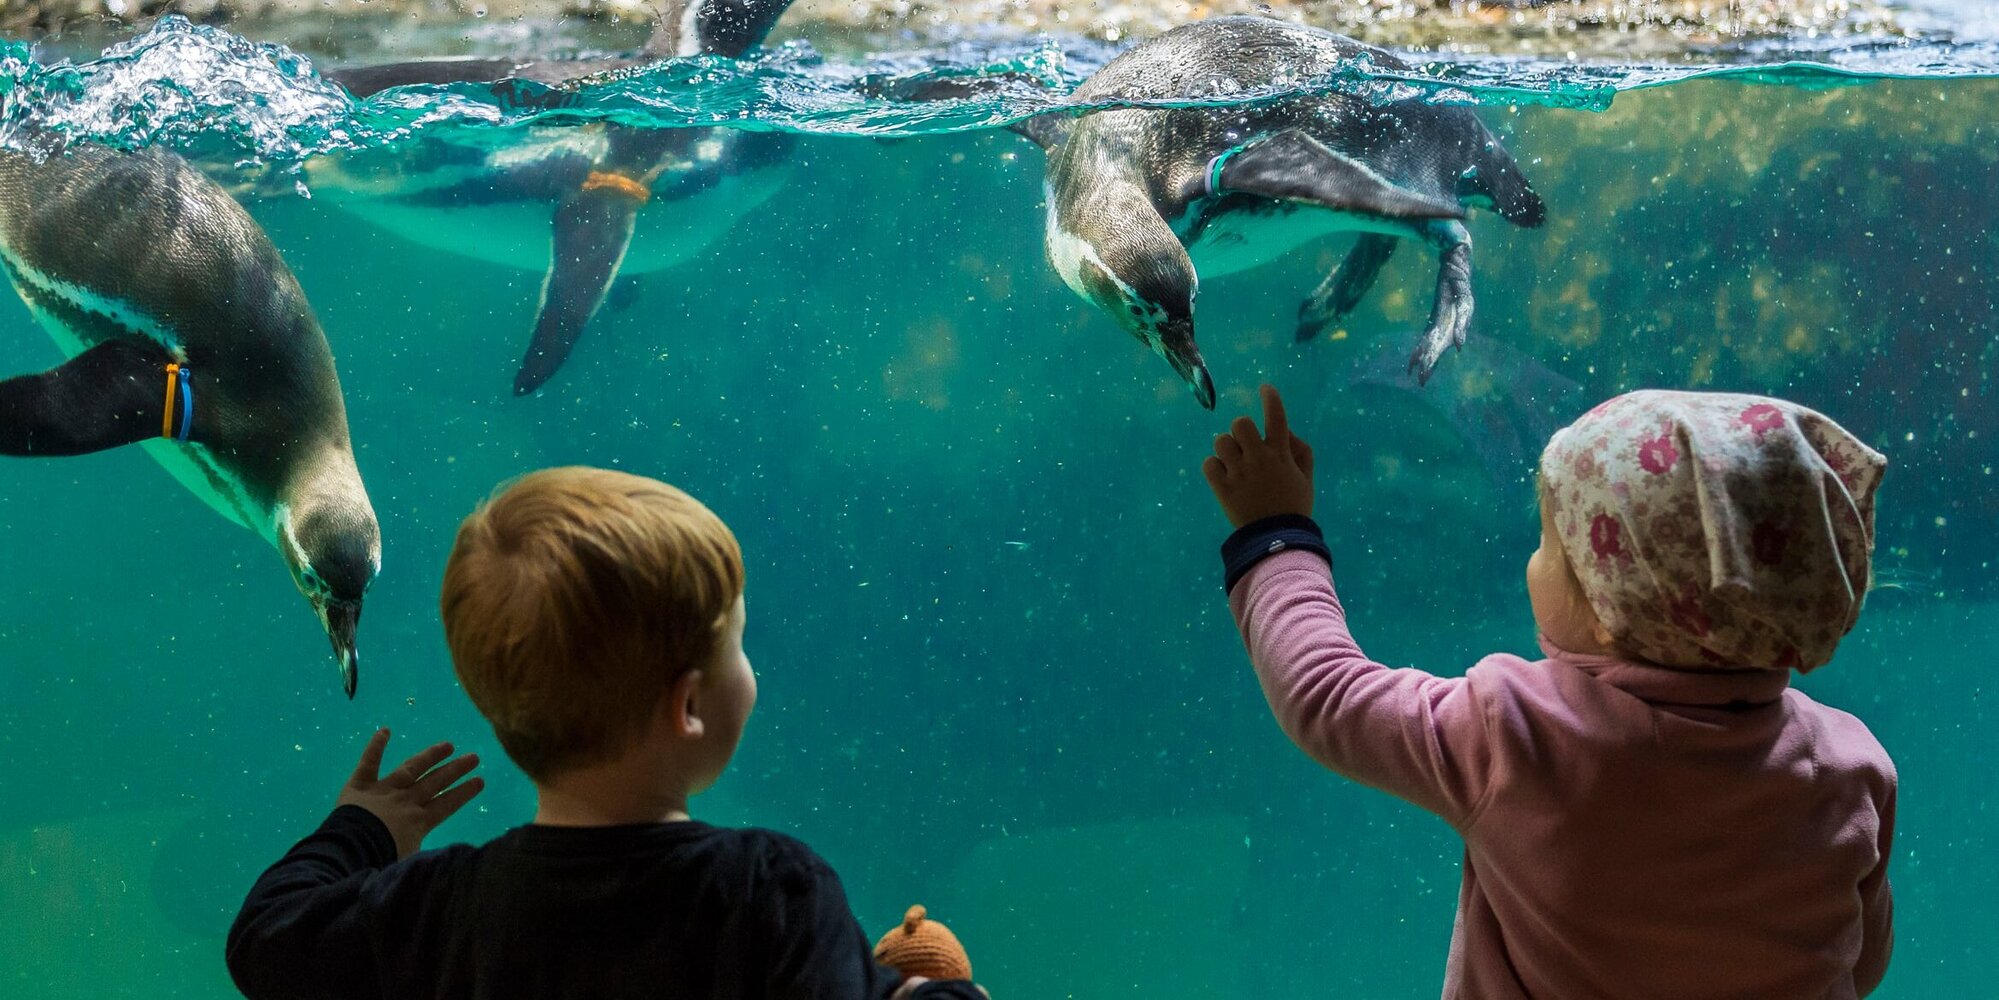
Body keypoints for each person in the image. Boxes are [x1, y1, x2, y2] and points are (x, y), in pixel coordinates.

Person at [1201, 385, 1896, 998]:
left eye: (1548, 546)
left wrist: (1274, 531)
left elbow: (1323, 691)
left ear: (1606, 606)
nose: (1533, 563)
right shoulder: (1849, 768)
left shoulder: (1517, 732)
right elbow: (1858, 962)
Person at [227, 466, 985, 1000]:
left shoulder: (444, 908)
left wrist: (361, 831)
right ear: (688, 707)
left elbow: (265, 940)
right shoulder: (769, 893)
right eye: (737, 645)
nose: (750, 669)